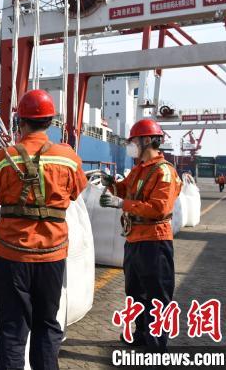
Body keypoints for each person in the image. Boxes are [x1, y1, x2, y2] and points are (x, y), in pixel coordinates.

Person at [0, 89, 88, 370]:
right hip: (52, 258)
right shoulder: (68, 158)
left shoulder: (4, 158)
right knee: (47, 325)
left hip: (12, 257)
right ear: (50, 122)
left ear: (20, 122)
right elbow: (76, 191)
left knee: (13, 329)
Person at [100, 118, 182, 351]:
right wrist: (111, 184)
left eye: (133, 140)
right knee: (135, 293)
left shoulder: (164, 172)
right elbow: (124, 190)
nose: (131, 144)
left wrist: (121, 202)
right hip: (135, 239)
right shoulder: (139, 170)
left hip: (155, 241)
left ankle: (156, 346)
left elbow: (159, 209)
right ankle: (142, 335)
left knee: (157, 296)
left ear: (147, 141)